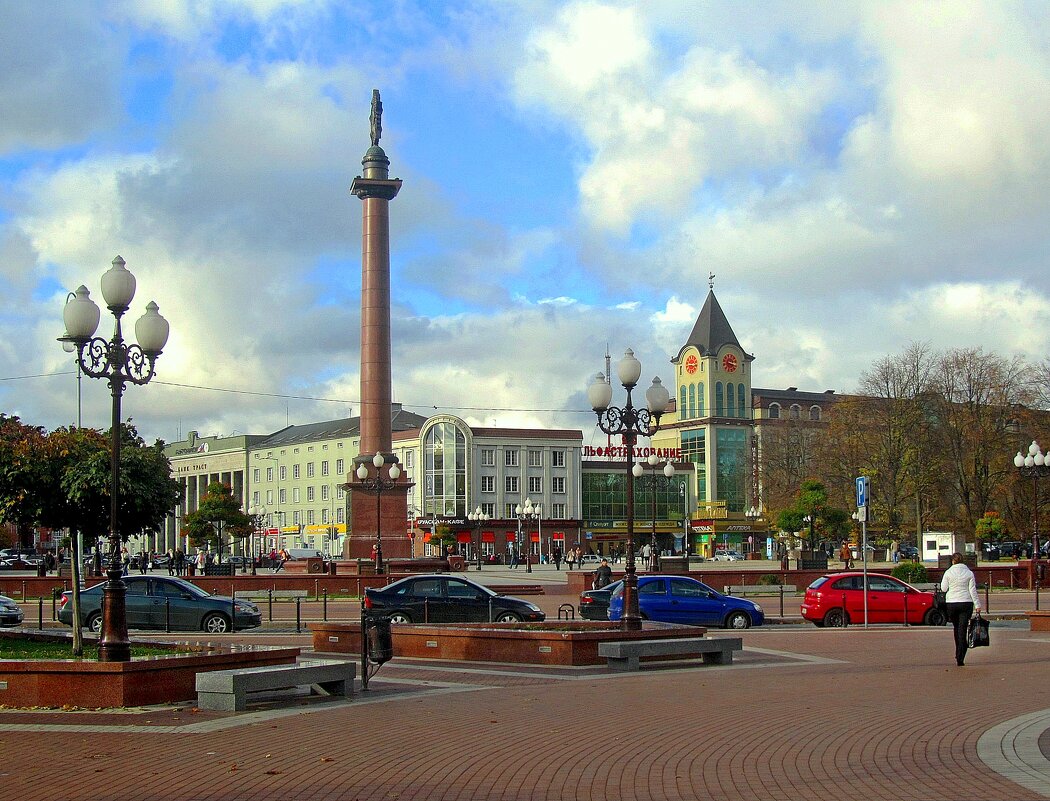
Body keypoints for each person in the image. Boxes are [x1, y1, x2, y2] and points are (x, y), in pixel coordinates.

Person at [941, 552, 981, 666]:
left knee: (956, 627)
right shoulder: (969, 573)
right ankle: (961, 655)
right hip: (966, 602)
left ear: (953, 561)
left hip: (952, 603)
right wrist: (977, 605)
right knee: (963, 629)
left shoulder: (948, 572)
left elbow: (944, 588)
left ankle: (958, 650)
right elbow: (972, 590)